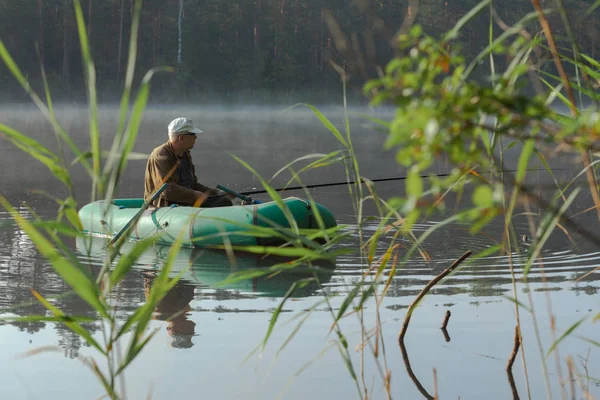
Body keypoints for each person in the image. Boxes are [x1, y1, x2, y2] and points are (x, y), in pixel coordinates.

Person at [144, 117, 233, 208]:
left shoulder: (185, 154)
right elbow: (166, 190)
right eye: (192, 134)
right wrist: (194, 195)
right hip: (165, 208)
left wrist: (217, 193)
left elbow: (192, 185)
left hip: (184, 204)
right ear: (181, 137)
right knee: (222, 203)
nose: (195, 137)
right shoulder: (161, 155)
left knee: (223, 200)